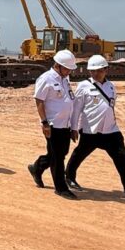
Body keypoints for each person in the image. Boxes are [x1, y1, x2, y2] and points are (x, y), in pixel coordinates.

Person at [66, 55, 125, 203]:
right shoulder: (83, 86)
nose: (95, 74)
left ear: (106, 70)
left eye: (99, 71)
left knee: (123, 158)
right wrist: (74, 128)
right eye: (92, 71)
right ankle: (69, 177)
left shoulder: (111, 87)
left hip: (111, 131)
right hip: (91, 130)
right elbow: (76, 109)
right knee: (79, 154)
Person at [28, 50, 79, 200]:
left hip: (65, 124)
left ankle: (37, 167)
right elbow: (39, 101)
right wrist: (44, 123)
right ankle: (61, 187)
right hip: (52, 124)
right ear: (58, 65)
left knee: (59, 153)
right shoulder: (46, 79)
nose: (69, 71)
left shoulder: (64, 78)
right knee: (57, 157)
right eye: (67, 68)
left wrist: (73, 126)